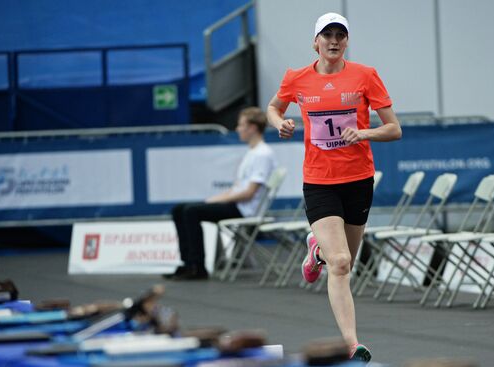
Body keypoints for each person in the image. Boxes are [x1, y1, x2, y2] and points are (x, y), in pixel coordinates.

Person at [267, 12, 402, 363]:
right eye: (327, 35)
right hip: (319, 181)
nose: (334, 41)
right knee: (340, 264)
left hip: (358, 179)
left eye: (340, 35)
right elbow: (272, 108)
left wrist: (365, 132)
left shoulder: (365, 76)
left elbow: (394, 129)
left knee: (346, 263)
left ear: (346, 42)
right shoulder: (296, 78)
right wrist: (280, 122)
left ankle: (317, 253)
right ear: (315, 42)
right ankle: (351, 346)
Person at [164, 107, 277, 280]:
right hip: (237, 204)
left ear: (253, 128)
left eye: (241, 125)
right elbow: (238, 189)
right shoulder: (252, 153)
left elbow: (249, 193)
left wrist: (215, 200)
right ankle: (187, 263)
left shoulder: (262, 154)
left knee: (191, 211)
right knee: (179, 209)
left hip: (245, 209)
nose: (238, 129)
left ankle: (198, 266)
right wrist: (215, 199)